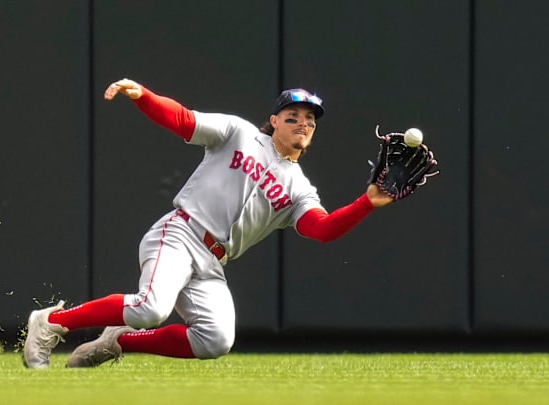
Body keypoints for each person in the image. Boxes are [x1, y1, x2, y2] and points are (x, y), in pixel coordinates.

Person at [22, 78, 394, 369]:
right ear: (276, 120)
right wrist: (142, 96)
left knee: (215, 340)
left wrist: (367, 203)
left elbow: (323, 229)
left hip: (212, 262)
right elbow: (183, 119)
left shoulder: (300, 188)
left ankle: (116, 341)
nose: (303, 122)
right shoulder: (239, 133)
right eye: (294, 115)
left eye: (310, 120)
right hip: (180, 233)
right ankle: (52, 321)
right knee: (151, 308)